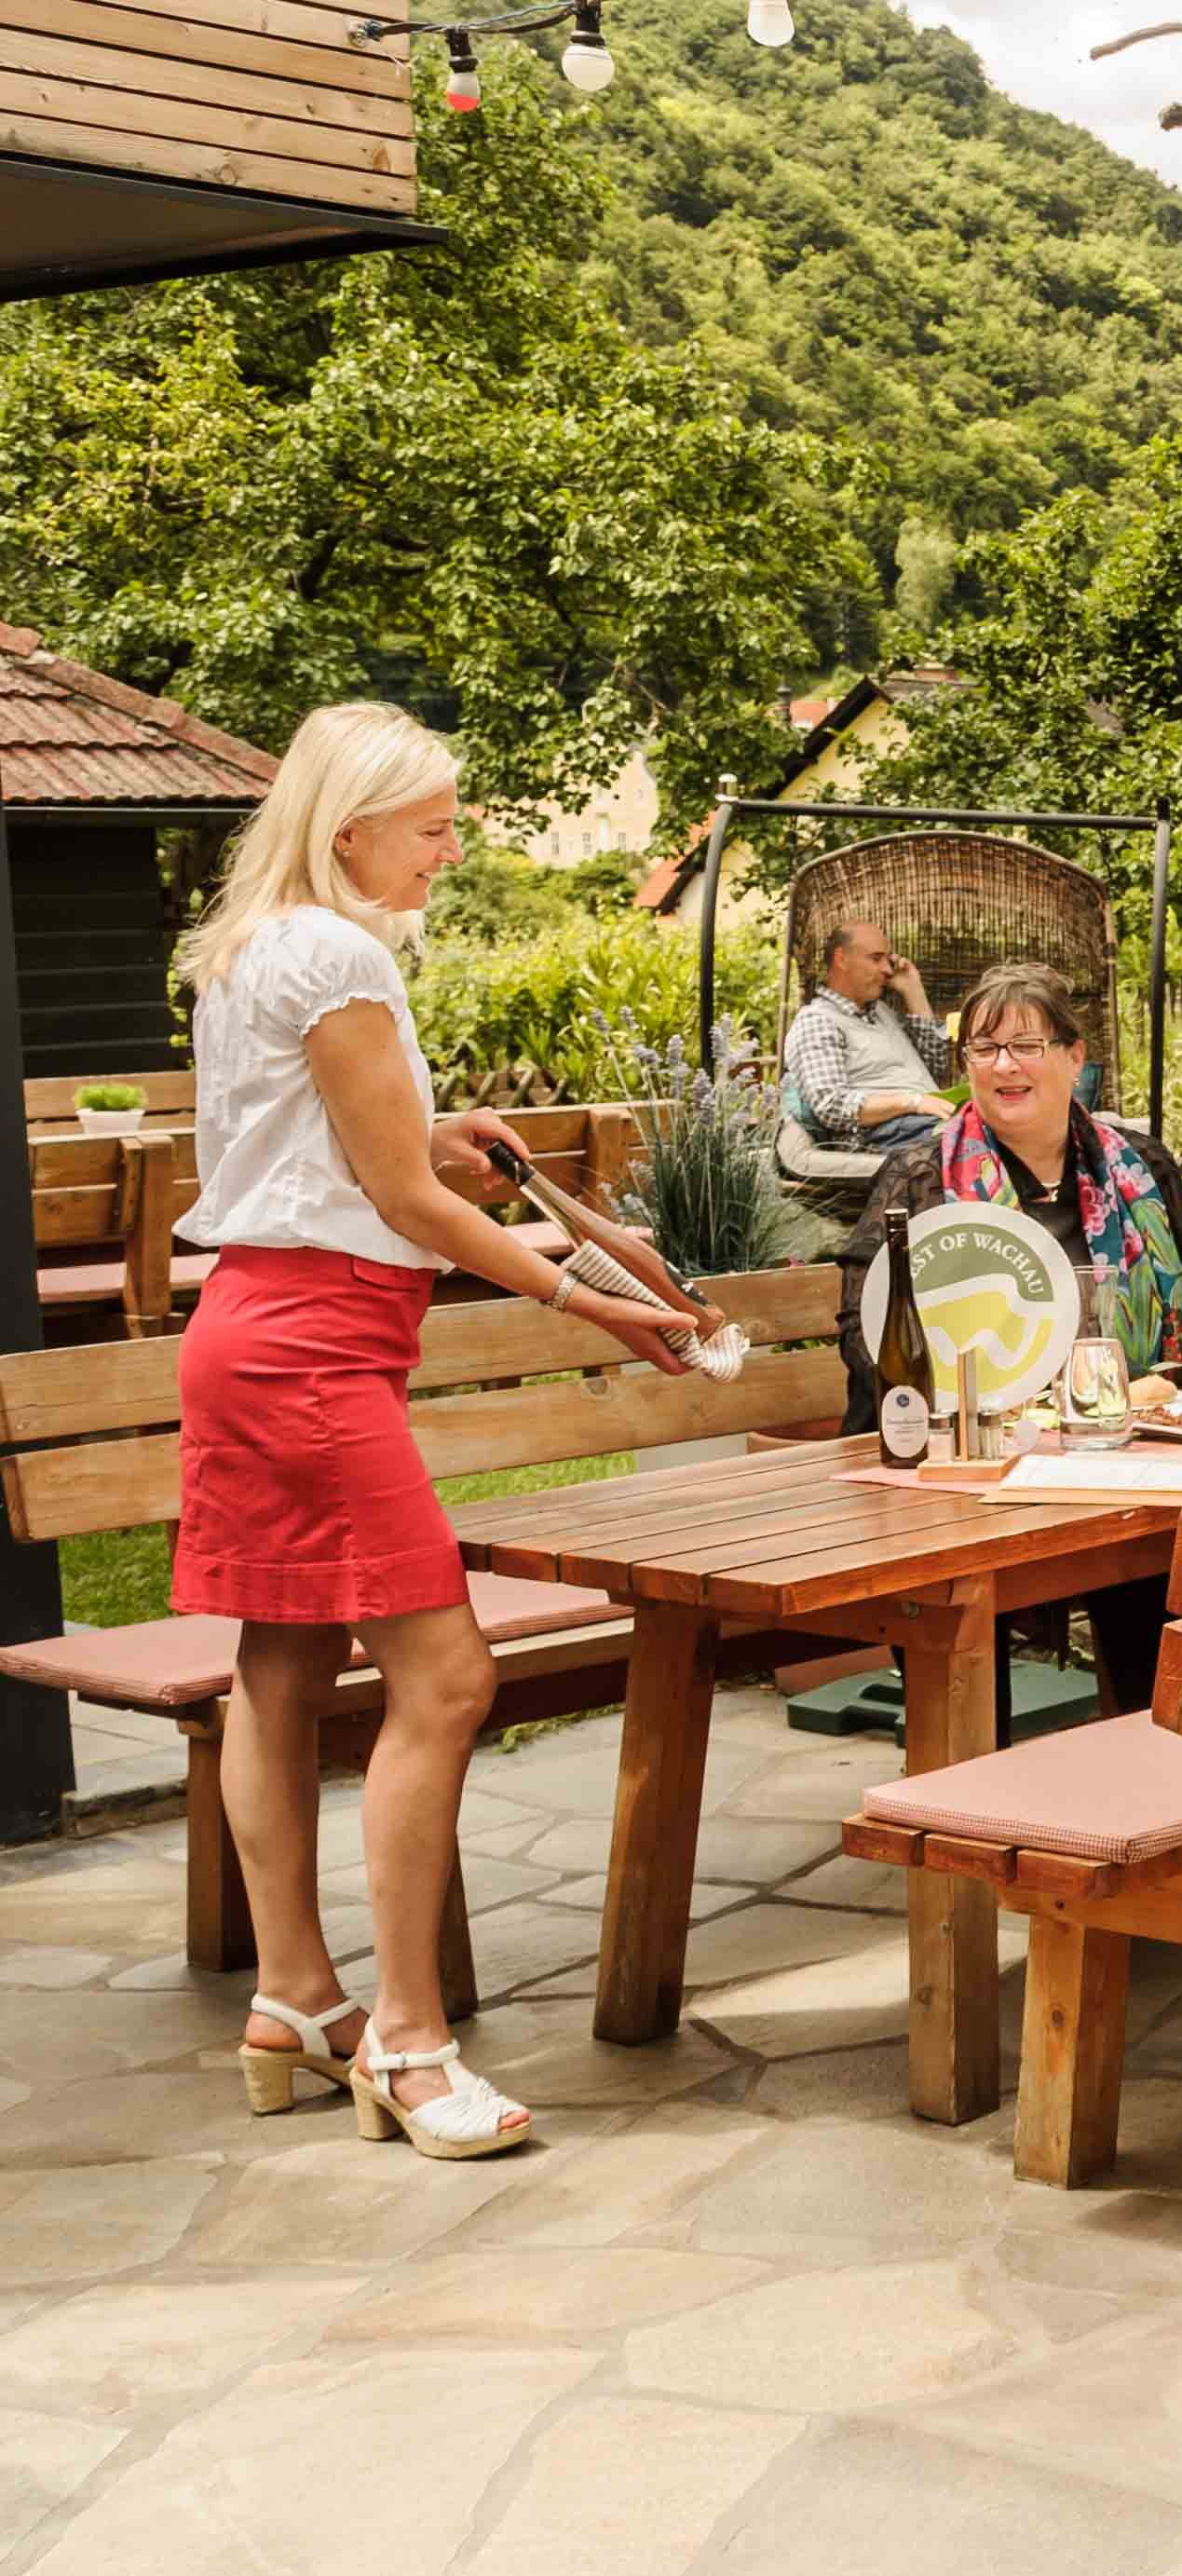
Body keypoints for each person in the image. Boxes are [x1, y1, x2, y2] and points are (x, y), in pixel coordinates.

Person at [175, 703, 694, 2162]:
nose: (452, 852)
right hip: (315, 1349)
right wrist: (587, 1293)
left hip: (252, 1332)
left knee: (275, 1668)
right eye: (432, 827)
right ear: (347, 827)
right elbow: (402, 1204)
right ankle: (407, 2041)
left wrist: (438, 1134)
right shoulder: (336, 951)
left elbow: (338, 1150)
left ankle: (295, 1996)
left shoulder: (253, 947)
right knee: (448, 1677)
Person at [838, 967, 1182, 1707]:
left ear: (1074, 1055)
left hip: (1130, 1455)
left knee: (1166, 1618)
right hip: (969, 1470)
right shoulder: (919, 1178)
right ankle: (971, 1795)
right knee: (964, 1645)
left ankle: (1152, 1797)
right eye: (983, 1048)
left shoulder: (1143, 1169)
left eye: (1026, 1045)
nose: (1004, 1066)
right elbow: (863, 1330)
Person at [781, 920, 955, 1152]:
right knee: (978, 1142)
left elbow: (937, 1067)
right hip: (882, 1135)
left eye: (888, 959)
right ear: (841, 959)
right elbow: (830, 1106)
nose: (888, 969)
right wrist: (913, 1101)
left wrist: (914, 990)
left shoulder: (882, 1013)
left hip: (924, 1122)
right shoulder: (818, 1020)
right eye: (876, 958)